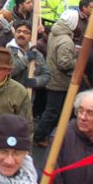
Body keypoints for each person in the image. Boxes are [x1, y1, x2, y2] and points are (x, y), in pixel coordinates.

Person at [34, 10, 78, 147]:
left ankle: (42, 135)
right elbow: (64, 63)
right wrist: (77, 61)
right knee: (52, 111)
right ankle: (39, 136)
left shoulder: (55, 32)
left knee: (51, 110)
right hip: (59, 80)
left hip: (51, 75)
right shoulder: (66, 40)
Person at [7, 21, 51, 90]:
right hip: (10, 96)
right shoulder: (7, 51)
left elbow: (46, 75)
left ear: (31, 36)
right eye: (18, 31)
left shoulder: (37, 54)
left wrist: (37, 81)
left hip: (28, 97)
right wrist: (25, 59)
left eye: (25, 32)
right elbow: (7, 72)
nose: (21, 34)